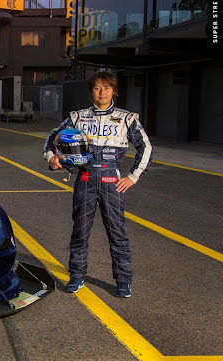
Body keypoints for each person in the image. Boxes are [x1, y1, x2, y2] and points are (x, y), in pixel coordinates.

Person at [43, 71, 152, 298]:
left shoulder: (127, 118)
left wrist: (133, 176)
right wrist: (52, 157)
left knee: (117, 232)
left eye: (107, 88)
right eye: (97, 88)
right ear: (91, 91)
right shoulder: (77, 117)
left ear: (114, 91)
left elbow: (146, 148)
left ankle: (123, 280)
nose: (102, 92)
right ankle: (76, 275)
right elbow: (53, 137)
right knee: (80, 231)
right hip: (85, 178)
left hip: (113, 180)